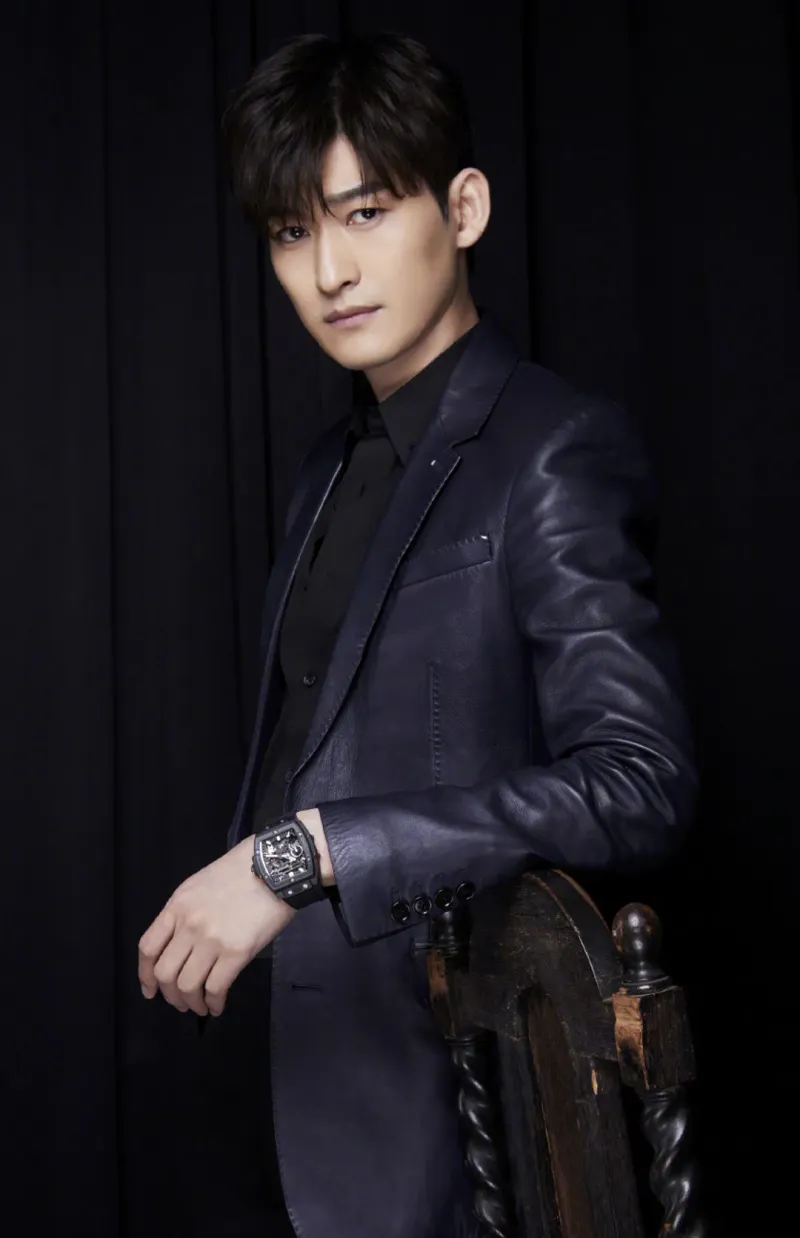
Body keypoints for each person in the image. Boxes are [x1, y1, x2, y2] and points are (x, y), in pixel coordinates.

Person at [138, 31, 695, 1238]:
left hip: (460, 1117)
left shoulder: (551, 448)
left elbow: (639, 784)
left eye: (366, 212)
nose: (330, 269)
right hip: (283, 1088)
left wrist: (305, 853)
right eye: (291, 231)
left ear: (464, 208)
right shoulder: (326, 471)